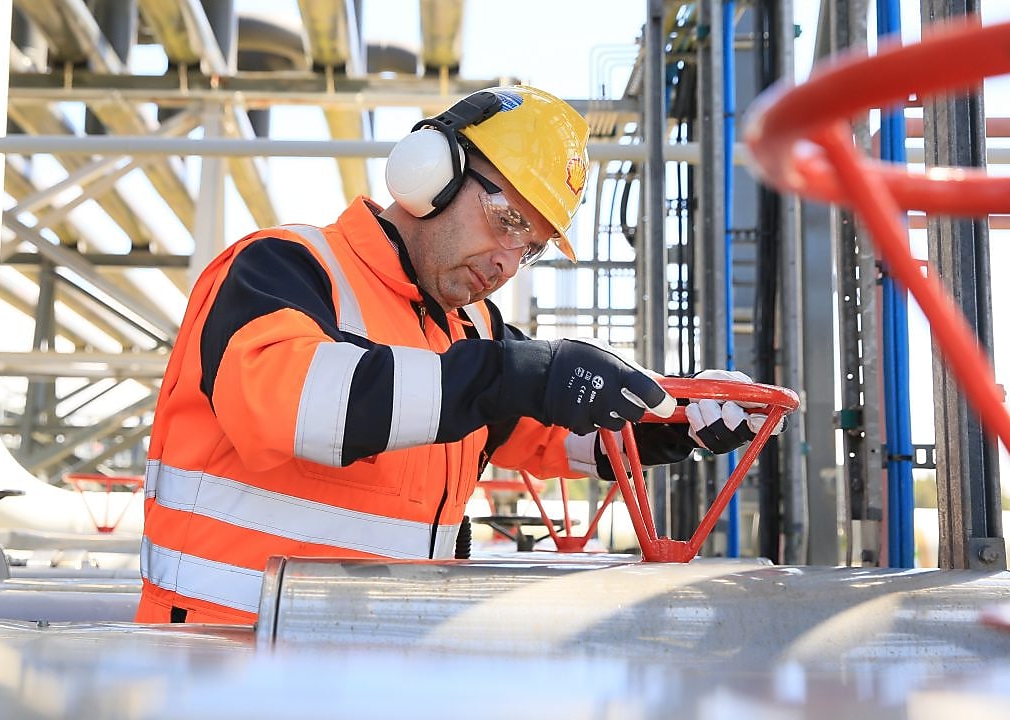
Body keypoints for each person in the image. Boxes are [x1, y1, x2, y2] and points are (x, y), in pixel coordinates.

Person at [136, 86, 778, 625]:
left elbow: (554, 426)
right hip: (216, 665)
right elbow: (291, 405)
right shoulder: (285, 267)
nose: (507, 265)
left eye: (530, 249)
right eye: (509, 221)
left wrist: (678, 417)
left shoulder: (471, 332)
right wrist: (511, 374)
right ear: (431, 174)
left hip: (372, 670)